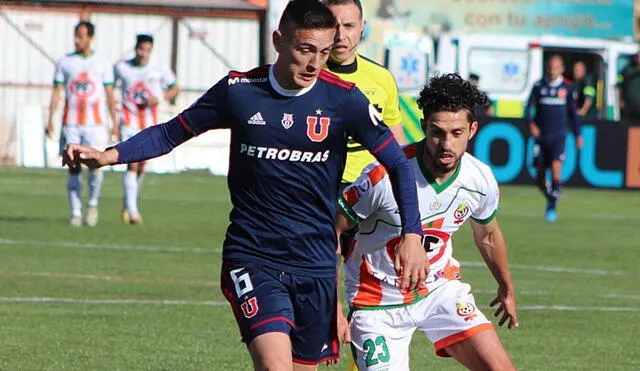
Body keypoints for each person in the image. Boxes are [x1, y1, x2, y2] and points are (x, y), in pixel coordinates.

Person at [62, 0, 428, 369]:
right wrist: (109, 155)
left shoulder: (343, 99)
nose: (315, 63)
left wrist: (412, 233)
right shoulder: (239, 90)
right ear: (278, 40)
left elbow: (397, 162)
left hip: (315, 262)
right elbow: (171, 132)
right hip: (254, 255)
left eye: (323, 51)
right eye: (305, 50)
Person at [336, 73, 518, 370]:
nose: (446, 144)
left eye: (457, 133)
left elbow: (488, 235)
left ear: (472, 130)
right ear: (423, 126)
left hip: (439, 292)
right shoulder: (382, 176)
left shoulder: (479, 178)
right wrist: (333, 308)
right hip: (377, 305)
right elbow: (333, 230)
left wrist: (506, 287)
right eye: (437, 132)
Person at [323, 0, 407, 189]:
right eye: (332, 25)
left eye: (348, 26)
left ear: (362, 27)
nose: (340, 35)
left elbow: (397, 142)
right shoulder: (308, 75)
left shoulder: (382, 78)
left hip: (369, 188)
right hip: (318, 186)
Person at [45, 21, 117, 227]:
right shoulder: (65, 62)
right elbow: (57, 93)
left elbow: (110, 95)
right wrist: (51, 118)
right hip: (71, 123)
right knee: (73, 166)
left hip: (95, 125)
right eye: (76, 36)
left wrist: (114, 122)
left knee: (96, 166)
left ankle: (92, 204)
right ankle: (76, 213)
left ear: (90, 38)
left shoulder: (102, 63)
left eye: (81, 36)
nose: (77, 40)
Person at [113, 34, 180, 224]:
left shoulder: (159, 68)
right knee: (132, 163)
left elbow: (175, 88)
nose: (143, 54)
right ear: (136, 49)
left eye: (147, 51)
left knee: (142, 166)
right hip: (128, 122)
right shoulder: (122, 68)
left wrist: (160, 98)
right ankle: (133, 211)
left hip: (150, 124)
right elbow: (108, 86)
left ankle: (128, 201)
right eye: (141, 49)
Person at [525, 55, 582, 223]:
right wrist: (532, 125)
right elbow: (528, 109)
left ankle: (552, 206)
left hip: (558, 136)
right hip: (541, 137)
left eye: (555, 68)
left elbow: (574, 115)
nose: (552, 71)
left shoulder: (568, 88)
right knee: (539, 176)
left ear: (562, 69)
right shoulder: (539, 86)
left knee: (556, 169)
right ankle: (551, 195)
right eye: (550, 68)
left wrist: (578, 134)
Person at [619, 51, 640, 122]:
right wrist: (620, 99)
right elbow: (621, 85)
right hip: (630, 104)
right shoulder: (628, 69)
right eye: (637, 56)